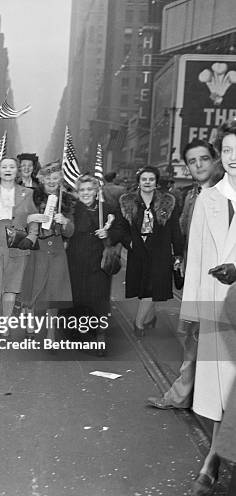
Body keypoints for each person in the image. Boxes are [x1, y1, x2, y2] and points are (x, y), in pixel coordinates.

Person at [180, 120, 236, 495]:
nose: (234, 158)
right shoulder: (208, 199)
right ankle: (213, 460)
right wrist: (193, 314)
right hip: (219, 307)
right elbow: (197, 259)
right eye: (229, 150)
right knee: (222, 389)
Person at [147, 138, 221, 410]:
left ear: (214, 160)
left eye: (203, 158)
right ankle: (182, 396)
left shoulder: (224, 194)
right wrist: (181, 259)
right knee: (194, 340)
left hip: (218, 282)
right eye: (192, 161)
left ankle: (195, 400)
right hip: (197, 276)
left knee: (208, 343)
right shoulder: (193, 195)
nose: (198, 165)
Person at [112, 166, 184, 337]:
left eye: (151, 179)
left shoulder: (167, 202)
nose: (147, 182)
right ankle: (150, 318)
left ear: (156, 182)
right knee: (145, 289)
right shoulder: (127, 202)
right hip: (138, 251)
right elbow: (120, 228)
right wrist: (130, 243)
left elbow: (175, 230)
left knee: (153, 287)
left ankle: (138, 324)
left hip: (160, 251)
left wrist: (178, 254)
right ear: (139, 182)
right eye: (144, 179)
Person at [0, 157, 38, 348]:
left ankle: (4, 325)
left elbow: (33, 219)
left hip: (17, 241)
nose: (8, 170)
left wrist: (32, 236)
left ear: (17, 171)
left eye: (12, 167)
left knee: (10, 289)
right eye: (4, 167)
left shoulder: (27, 193)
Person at [20, 161, 75, 346]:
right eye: (48, 178)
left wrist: (65, 221)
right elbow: (20, 221)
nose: (52, 181)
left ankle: (51, 333)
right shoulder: (31, 196)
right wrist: (32, 218)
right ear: (41, 179)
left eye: (55, 178)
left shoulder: (67, 200)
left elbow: (70, 232)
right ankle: (30, 325)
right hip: (37, 249)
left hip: (58, 250)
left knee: (55, 292)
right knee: (35, 287)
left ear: (60, 180)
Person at [66, 175, 116, 355]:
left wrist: (108, 234)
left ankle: (100, 335)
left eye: (89, 189)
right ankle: (80, 332)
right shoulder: (71, 210)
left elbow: (120, 231)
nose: (86, 193)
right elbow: (66, 232)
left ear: (96, 191)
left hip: (99, 262)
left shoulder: (106, 209)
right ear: (77, 192)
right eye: (82, 190)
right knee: (79, 298)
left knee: (98, 299)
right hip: (75, 261)